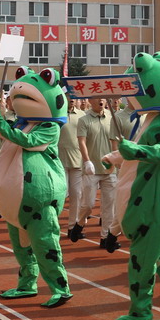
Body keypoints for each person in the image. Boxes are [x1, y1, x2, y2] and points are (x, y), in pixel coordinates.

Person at [75, 97, 118, 250]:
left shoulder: (112, 118)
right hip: (91, 169)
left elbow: (114, 141)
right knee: (89, 204)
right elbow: (81, 141)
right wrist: (87, 161)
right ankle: (79, 223)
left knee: (109, 205)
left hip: (109, 169)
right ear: (91, 101)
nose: (100, 100)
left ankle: (105, 237)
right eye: (97, 98)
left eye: (103, 98)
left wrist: (114, 161)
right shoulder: (84, 120)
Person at [60, 96, 85, 240]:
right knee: (60, 195)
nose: (71, 100)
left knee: (77, 194)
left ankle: (72, 226)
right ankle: (52, 225)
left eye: (74, 98)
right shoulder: (58, 114)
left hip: (78, 161)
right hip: (60, 160)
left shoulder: (82, 115)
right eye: (69, 97)